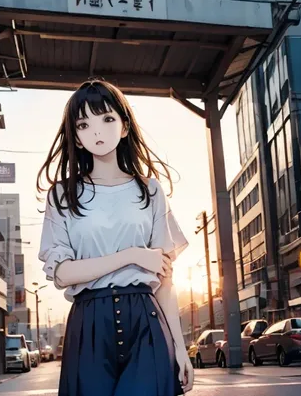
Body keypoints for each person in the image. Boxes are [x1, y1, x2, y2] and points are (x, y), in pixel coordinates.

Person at [37, 79, 194, 396]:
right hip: (89, 323)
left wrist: (180, 348)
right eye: (84, 123)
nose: (97, 131)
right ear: (77, 138)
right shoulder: (63, 195)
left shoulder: (149, 190)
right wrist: (132, 255)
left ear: (124, 126)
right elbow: (63, 273)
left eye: (107, 118)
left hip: (145, 320)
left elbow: (164, 281)